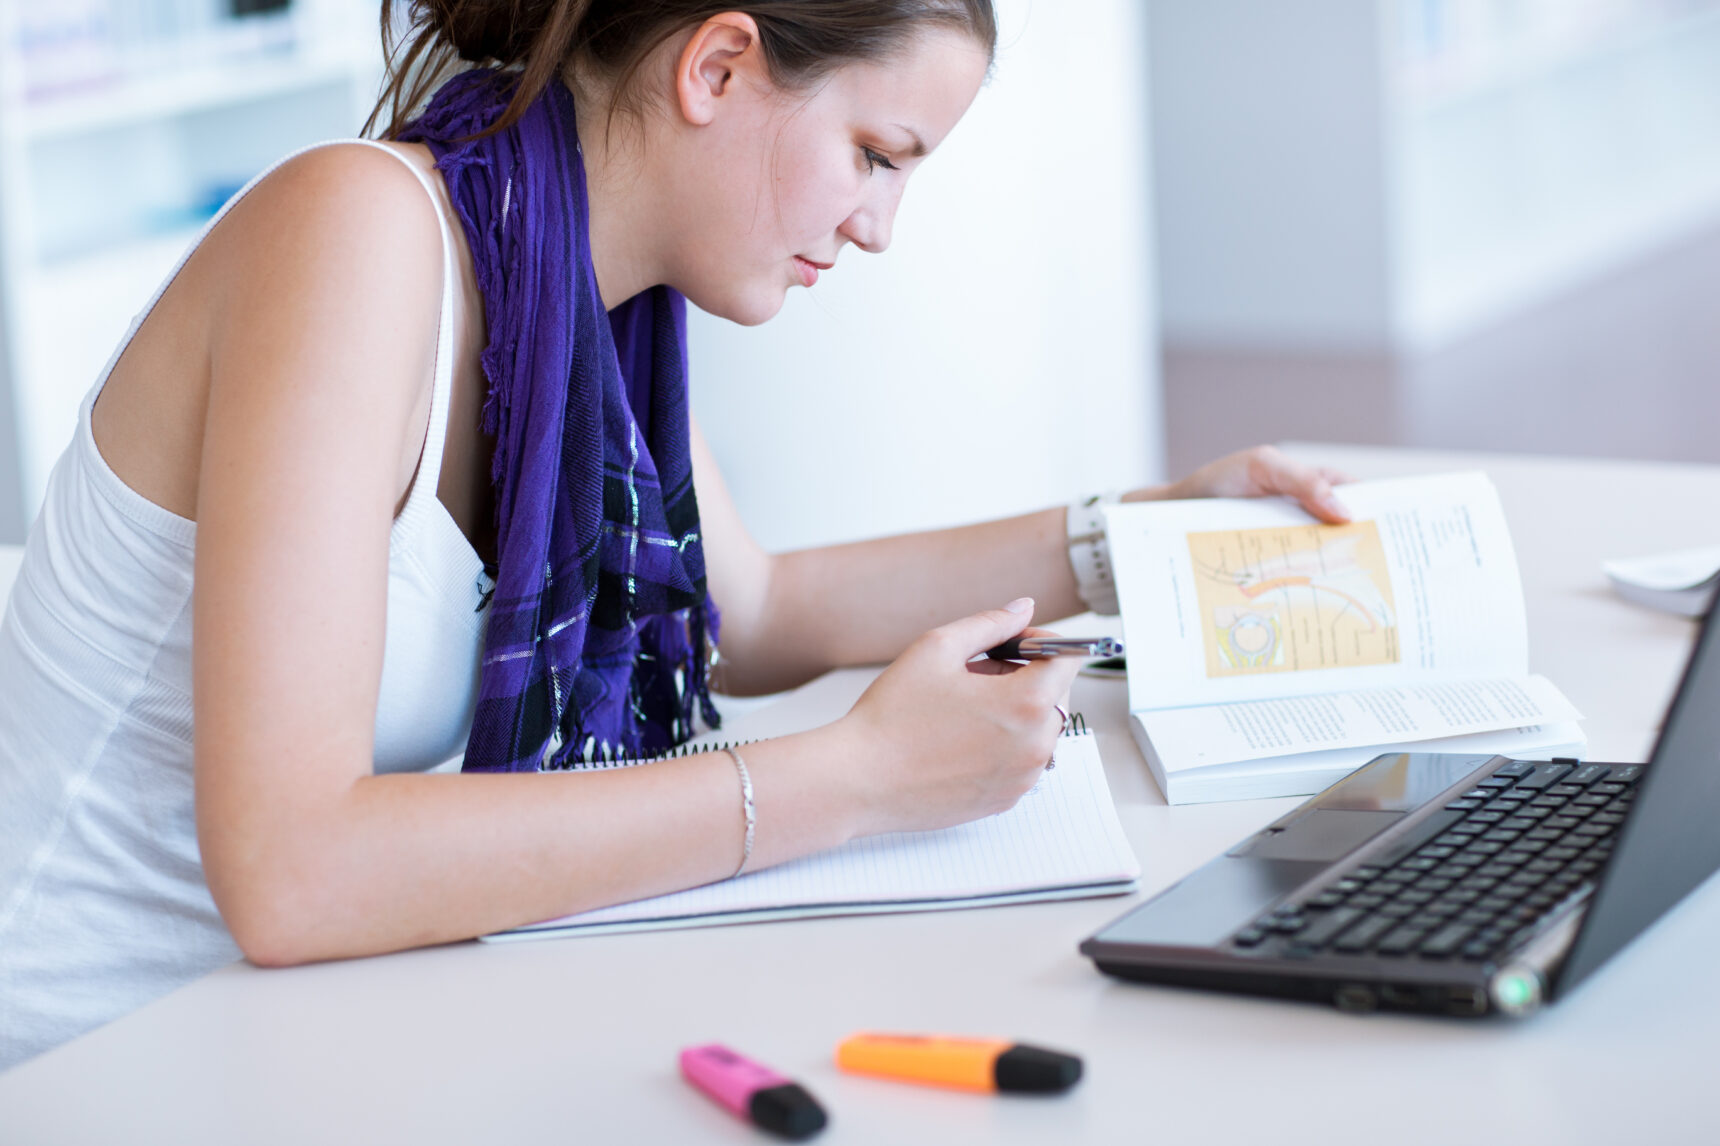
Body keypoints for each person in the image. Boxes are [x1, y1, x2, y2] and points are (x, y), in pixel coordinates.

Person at [0, 0, 1348, 1070]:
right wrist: (857, 775)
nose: (879, 227)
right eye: (877, 156)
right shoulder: (354, 232)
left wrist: (1135, 534)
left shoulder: (582, 301)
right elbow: (291, 872)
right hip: (86, 1057)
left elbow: (751, 608)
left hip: (291, 1029)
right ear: (717, 67)